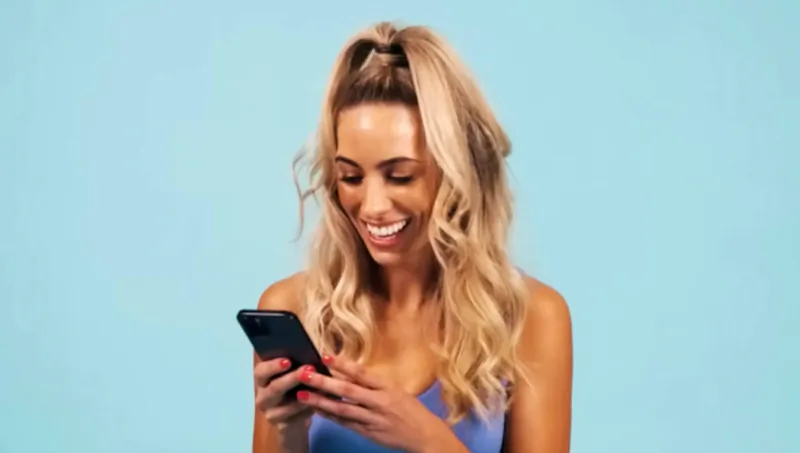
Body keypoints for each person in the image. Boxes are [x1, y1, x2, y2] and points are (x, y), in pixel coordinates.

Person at [251, 21, 573, 453]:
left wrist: (428, 439)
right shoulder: (295, 308)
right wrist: (289, 430)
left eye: (400, 176)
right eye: (351, 177)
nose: (371, 206)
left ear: (457, 175)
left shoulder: (531, 318)